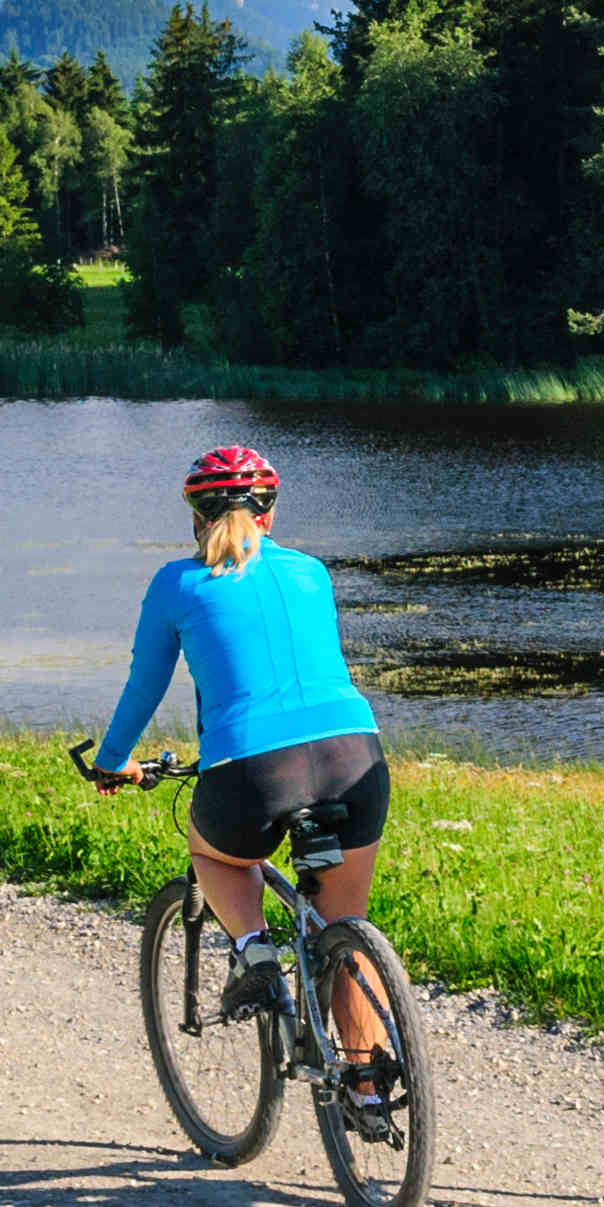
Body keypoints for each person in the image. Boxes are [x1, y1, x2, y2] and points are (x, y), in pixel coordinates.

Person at [92, 445, 394, 1076]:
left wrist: (112, 761)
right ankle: (368, 1091)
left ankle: (255, 953)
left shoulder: (177, 583)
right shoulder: (312, 571)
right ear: (270, 514)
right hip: (355, 754)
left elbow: (145, 686)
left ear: (196, 517)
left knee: (214, 855)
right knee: (346, 923)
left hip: (254, 770)